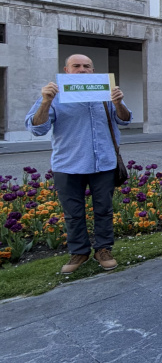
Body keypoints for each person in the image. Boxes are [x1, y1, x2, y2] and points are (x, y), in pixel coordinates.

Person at [25, 55, 132, 274]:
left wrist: (118, 103)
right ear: (66, 70)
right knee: (73, 212)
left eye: (86, 66)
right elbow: (36, 128)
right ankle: (79, 252)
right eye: (76, 66)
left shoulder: (105, 92)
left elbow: (125, 119)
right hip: (68, 164)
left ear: (93, 71)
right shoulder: (55, 95)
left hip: (103, 163)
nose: (82, 70)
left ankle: (103, 249)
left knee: (104, 210)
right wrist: (45, 101)